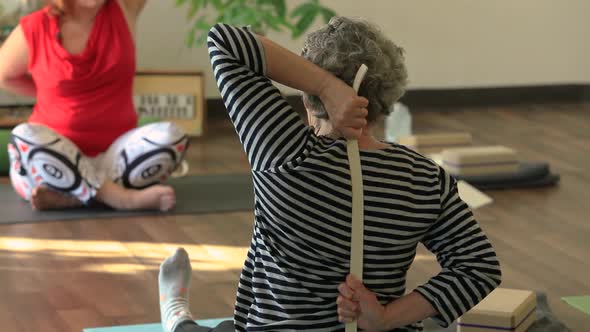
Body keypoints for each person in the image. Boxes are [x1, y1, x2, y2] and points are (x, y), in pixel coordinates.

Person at [157, 18, 502, 331]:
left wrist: (324, 85)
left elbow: (224, 40)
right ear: (386, 102)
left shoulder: (285, 152)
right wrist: (385, 318)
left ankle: (176, 316)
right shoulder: (426, 178)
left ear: (308, 99)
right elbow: (479, 267)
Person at [0, 0, 189, 211]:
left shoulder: (125, 8)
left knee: (173, 136)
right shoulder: (35, 27)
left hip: (114, 159)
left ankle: (75, 196)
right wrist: (45, 92)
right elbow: (4, 76)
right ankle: (121, 198)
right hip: (52, 164)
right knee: (25, 135)